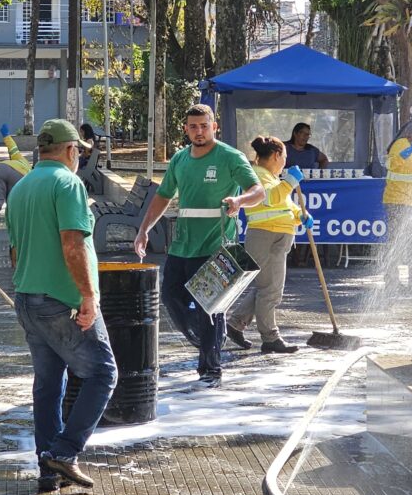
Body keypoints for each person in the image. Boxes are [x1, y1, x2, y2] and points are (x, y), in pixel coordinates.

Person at [6, 118, 118, 491]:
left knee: (49, 384)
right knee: (103, 373)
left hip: (28, 298)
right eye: (79, 154)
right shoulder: (68, 183)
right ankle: (65, 452)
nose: (79, 160)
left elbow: (15, 251)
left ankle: (48, 470)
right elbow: (73, 244)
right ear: (71, 151)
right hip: (61, 301)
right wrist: (88, 297)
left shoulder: (21, 187)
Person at [133, 104, 265, 388]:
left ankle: (210, 369)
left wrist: (239, 201)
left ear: (214, 126)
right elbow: (163, 196)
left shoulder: (230, 157)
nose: (199, 131)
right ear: (186, 129)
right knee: (170, 297)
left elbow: (258, 191)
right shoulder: (180, 160)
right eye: (193, 127)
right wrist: (144, 229)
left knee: (210, 309)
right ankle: (206, 338)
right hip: (182, 245)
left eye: (204, 126)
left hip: (214, 245)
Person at [226, 137, 313, 354]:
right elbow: (269, 199)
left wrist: (300, 214)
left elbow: (284, 204)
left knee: (266, 289)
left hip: (275, 236)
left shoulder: (270, 177)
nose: (285, 161)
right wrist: (289, 183)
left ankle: (235, 324)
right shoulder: (257, 174)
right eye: (284, 156)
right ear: (276, 155)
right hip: (266, 236)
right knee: (271, 291)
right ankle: (270, 337)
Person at [382, 115, 412, 288]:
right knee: (396, 240)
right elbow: (390, 165)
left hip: (409, 201)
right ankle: (391, 279)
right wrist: (406, 153)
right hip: (396, 200)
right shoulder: (401, 145)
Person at [0, 123, 31, 250]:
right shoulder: (31, 174)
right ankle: (14, 243)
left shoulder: (20, 159)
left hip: (0, 167)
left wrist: (6, 135)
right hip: (20, 178)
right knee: (15, 211)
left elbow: (12, 147)